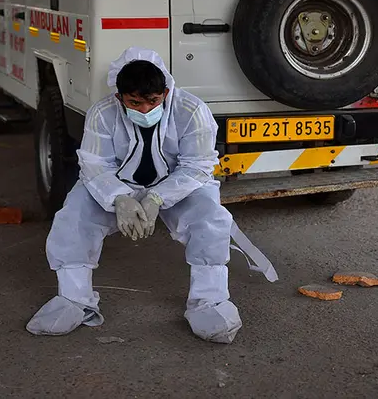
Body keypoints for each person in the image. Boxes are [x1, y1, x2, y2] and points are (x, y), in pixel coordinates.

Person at [27, 47, 277, 344]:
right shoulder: (102, 113)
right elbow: (94, 165)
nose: (144, 110)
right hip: (116, 186)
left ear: (167, 92)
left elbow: (198, 166)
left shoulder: (192, 110)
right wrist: (119, 197)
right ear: (119, 97)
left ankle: (210, 302)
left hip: (178, 187)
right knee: (73, 217)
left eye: (152, 101)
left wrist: (158, 197)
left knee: (211, 220)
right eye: (134, 102)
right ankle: (74, 300)